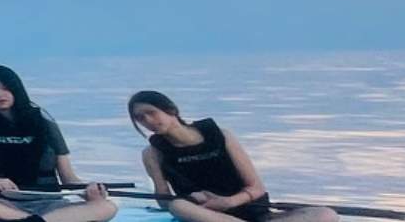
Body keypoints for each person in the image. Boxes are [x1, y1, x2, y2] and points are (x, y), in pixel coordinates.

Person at [129, 91, 336, 222]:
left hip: (250, 211)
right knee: (178, 206)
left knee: (325, 214)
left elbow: (256, 188)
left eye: (151, 112)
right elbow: (165, 202)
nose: (147, 121)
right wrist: (192, 199)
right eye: (140, 118)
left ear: (171, 110)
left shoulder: (221, 136)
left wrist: (228, 202)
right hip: (207, 215)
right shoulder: (152, 153)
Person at [0, 67, 113, 222]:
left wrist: (88, 190)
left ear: (16, 89)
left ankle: (37, 221)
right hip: (5, 204)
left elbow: (68, 178)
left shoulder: (46, 124)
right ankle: (32, 220)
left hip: (51, 205)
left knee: (107, 207)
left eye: (5, 88)